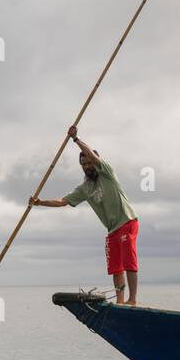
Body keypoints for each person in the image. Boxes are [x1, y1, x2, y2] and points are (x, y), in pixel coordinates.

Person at [30, 126, 140, 304]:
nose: (88, 166)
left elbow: (92, 156)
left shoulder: (107, 172)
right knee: (115, 268)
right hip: (112, 229)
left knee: (128, 261)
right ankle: (120, 301)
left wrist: (76, 139)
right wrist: (39, 202)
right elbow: (63, 201)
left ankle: (132, 300)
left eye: (89, 162)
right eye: (84, 164)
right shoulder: (85, 188)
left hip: (127, 221)